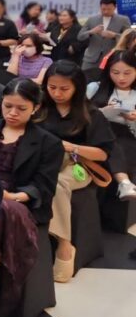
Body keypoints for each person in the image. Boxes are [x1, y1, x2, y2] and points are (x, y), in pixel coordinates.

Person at [0, 79, 63, 317]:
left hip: (17, 200)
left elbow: (43, 186)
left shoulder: (48, 142)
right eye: (7, 106)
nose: (12, 113)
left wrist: (15, 196)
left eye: (21, 108)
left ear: (36, 108)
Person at [34, 61, 113, 283]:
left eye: (64, 88)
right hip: (42, 162)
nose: (57, 93)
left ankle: (64, 244)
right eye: (52, 87)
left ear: (77, 88)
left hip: (77, 165)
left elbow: (102, 153)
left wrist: (71, 147)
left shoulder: (91, 114)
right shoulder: (39, 108)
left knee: (58, 184)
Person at [86, 51, 136, 200]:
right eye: (115, 72)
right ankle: (124, 182)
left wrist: (132, 121)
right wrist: (101, 112)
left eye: (127, 73)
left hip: (127, 139)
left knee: (119, 139)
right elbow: (79, 116)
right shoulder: (94, 88)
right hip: (95, 135)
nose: (121, 78)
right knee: (111, 134)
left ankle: (124, 184)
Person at [77, 0, 131, 72]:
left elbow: (129, 38)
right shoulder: (92, 19)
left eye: (109, 9)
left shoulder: (123, 20)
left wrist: (114, 35)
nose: (105, 11)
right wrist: (92, 31)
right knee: (86, 77)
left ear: (115, 7)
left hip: (112, 58)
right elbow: (80, 37)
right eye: (103, 9)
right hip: (91, 59)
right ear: (100, 7)